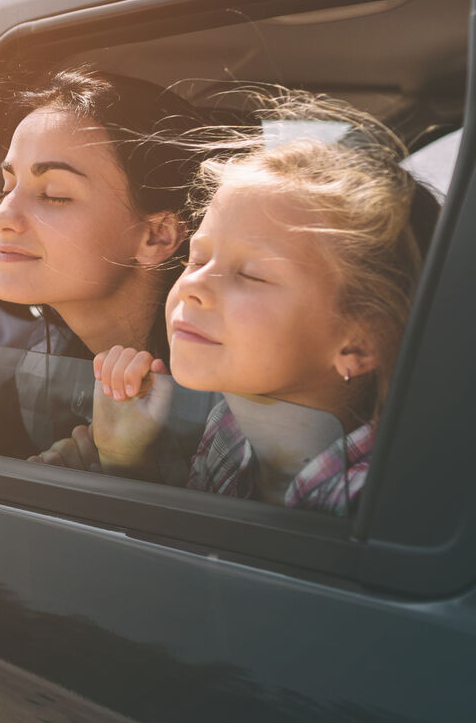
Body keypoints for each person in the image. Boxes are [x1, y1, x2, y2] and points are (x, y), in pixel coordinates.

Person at [35, 93, 437, 515]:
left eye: (251, 275)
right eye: (198, 258)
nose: (193, 285)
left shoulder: (381, 509)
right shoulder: (229, 431)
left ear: (360, 343)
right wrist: (125, 461)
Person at [0, 65, 207, 455]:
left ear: (156, 235)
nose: (0, 216)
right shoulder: (41, 373)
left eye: (53, 194)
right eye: (6, 187)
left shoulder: (220, 410)